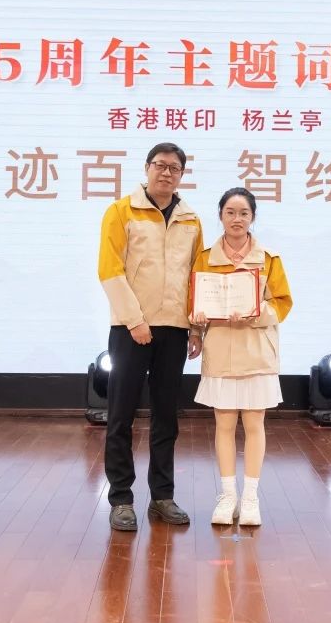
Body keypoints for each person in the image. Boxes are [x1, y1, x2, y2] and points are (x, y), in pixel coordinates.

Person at [98, 142, 203, 532]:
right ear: (146, 168)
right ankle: (121, 499)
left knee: (166, 417)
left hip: (174, 329)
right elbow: (109, 270)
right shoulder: (121, 211)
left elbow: (197, 276)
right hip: (130, 329)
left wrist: (196, 328)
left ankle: (162, 496)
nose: (166, 172)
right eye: (160, 165)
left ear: (181, 175)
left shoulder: (191, 219)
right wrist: (134, 320)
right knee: (120, 415)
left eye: (174, 168)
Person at [189, 187, 292, 527]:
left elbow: (282, 302)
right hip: (220, 350)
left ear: (253, 217)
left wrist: (255, 312)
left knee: (254, 424)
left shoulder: (270, 259)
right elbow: (194, 300)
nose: (237, 219)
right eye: (230, 212)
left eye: (244, 213)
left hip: (256, 351)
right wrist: (195, 325)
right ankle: (227, 496)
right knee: (223, 424)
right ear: (220, 216)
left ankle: (250, 498)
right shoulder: (205, 258)